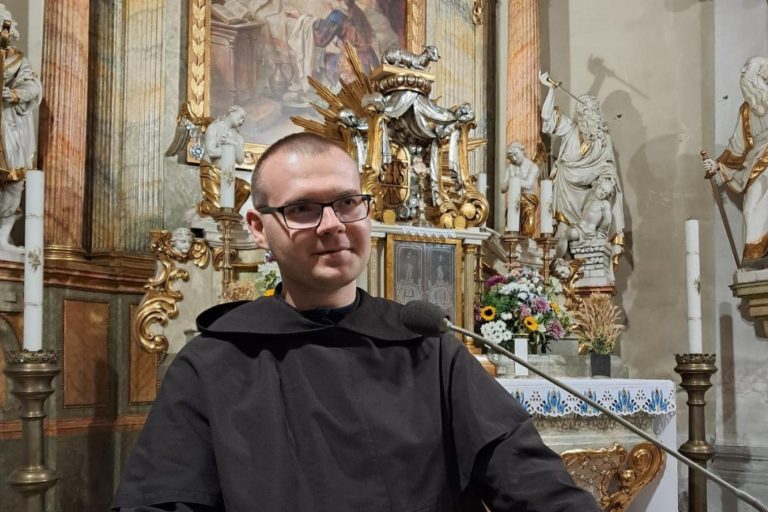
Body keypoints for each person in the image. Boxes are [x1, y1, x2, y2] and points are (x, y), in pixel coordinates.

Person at [113, 132, 600, 511]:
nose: (333, 225)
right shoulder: (213, 362)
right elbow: (163, 499)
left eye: (347, 202)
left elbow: (530, 479)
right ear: (259, 228)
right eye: (302, 209)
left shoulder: (428, 348)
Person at [539, 71, 625, 268]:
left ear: (597, 115)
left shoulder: (603, 140)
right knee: (563, 232)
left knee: (592, 231)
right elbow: (547, 118)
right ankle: (560, 270)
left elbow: (608, 167)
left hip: (590, 193)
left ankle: (585, 264)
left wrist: (606, 182)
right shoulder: (570, 129)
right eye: (582, 111)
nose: (586, 115)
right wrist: (551, 90)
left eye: (590, 111)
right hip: (565, 188)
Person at [702, 56, 768, 263]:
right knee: (750, 209)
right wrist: (718, 165)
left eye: (748, 68)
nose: (742, 72)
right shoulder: (746, 110)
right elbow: (737, 147)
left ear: (761, 73)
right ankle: (755, 256)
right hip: (757, 162)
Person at [0, 4, 42, 254]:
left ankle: (2, 236)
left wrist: (14, 94)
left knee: (14, 180)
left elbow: (33, 85)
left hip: (10, 125)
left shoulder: (17, 60)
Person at [197, 105, 250, 216]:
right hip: (212, 173)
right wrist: (228, 149)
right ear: (232, 112)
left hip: (228, 177)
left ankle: (231, 217)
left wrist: (233, 144)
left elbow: (240, 160)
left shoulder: (238, 137)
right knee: (216, 210)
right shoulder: (214, 128)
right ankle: (204, 208)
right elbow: (211, 152)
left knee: (245, 188)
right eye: (241, 117)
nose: (242, 121)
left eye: (244, 120)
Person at [499, 141, 541, 236]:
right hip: (515, 200)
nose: (514, 158)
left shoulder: (533, 167)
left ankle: (527, 239)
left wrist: (514, 180)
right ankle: (512, 240)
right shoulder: (510, 168)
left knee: (528, 226)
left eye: (516, 154)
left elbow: (528, 185)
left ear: (522, 151)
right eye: (511, 157)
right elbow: (502, 188)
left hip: (528, 201)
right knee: (511, 226)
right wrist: (509, 180)